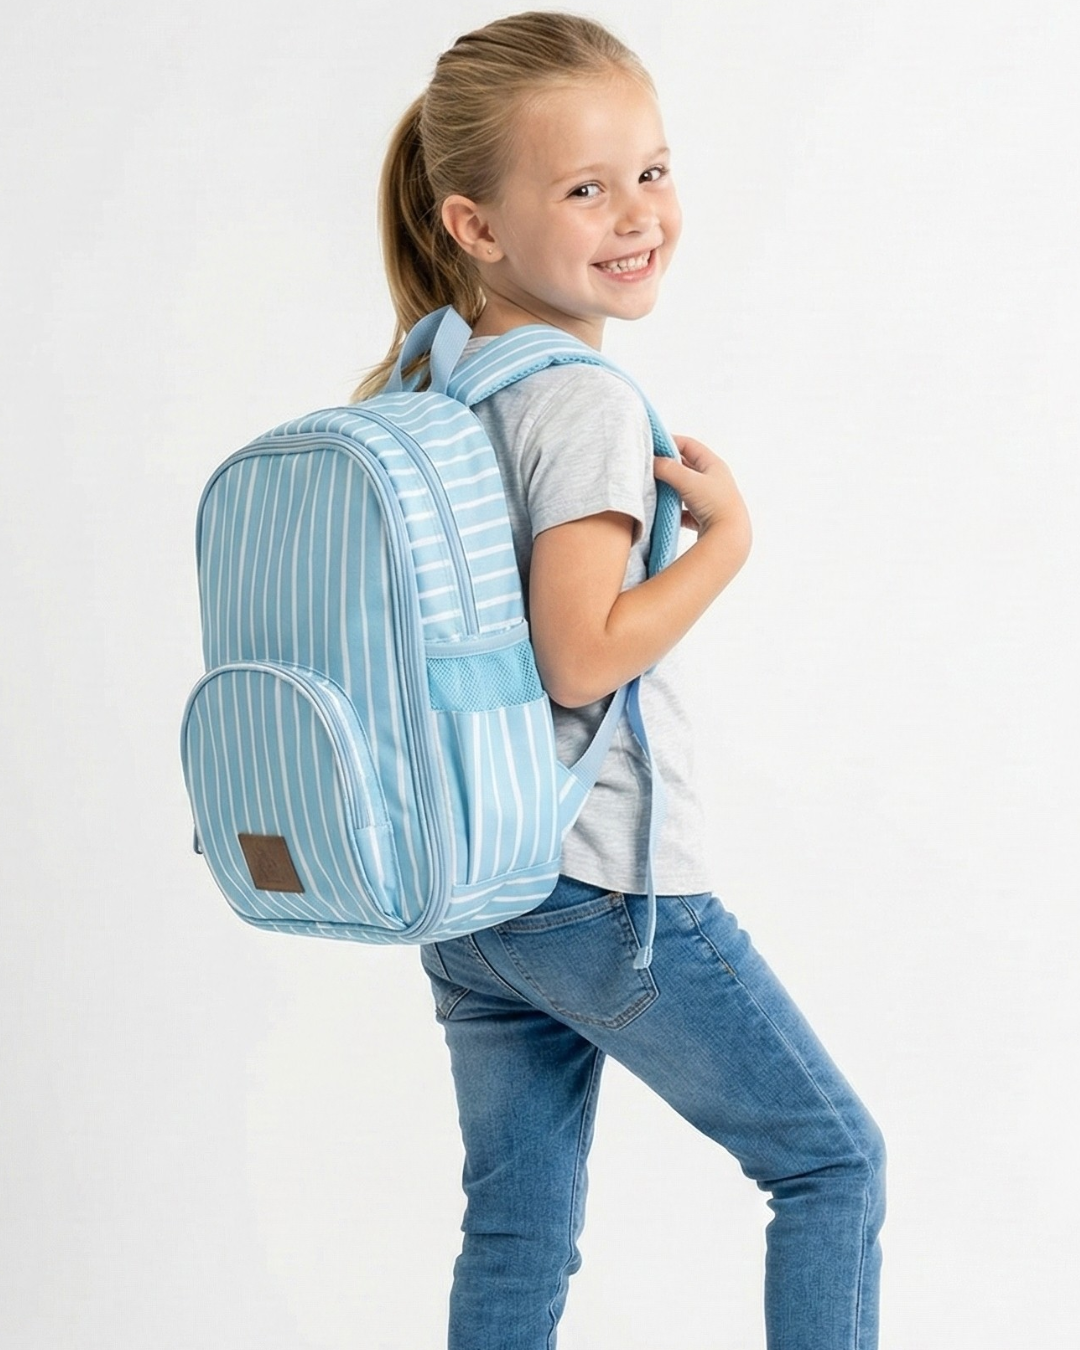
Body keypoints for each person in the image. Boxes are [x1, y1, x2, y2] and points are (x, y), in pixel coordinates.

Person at [357, 12, 885, 1350]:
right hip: (596, 880)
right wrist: (732, 541)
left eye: (653, 170)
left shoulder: (438, 380)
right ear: (477, 226)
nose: (637, 213)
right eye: (586, 188)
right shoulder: (583, 402)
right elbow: (581, 650)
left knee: (518, 1224)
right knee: (833, 1164)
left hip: (472, 885)